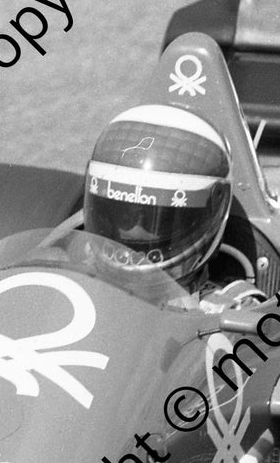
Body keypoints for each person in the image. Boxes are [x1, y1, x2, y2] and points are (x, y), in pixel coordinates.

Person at [82, 103, 263, 311]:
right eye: (124, 215)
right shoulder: (68, 279)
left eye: (159, 219)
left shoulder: (232, 311)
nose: (136, 231)